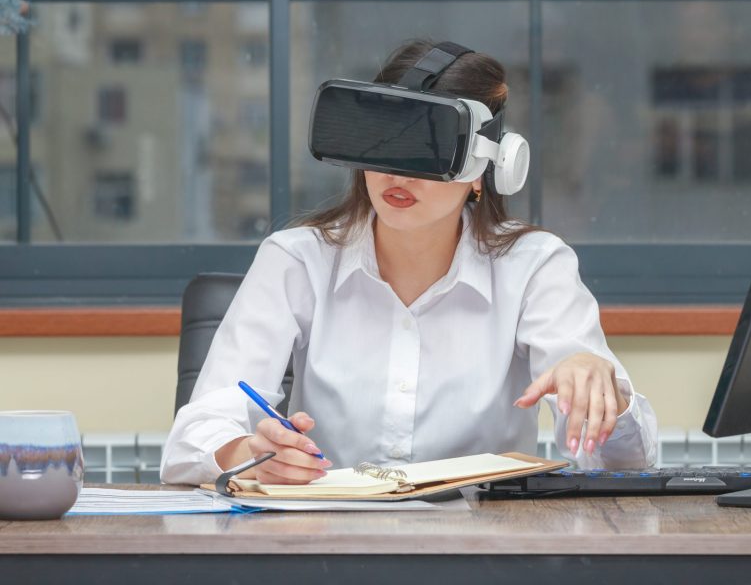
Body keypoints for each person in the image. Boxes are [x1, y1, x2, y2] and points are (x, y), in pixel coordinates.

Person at [161, 39, 657, 486]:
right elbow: (193, 436)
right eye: (384, 141)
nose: (399, 172)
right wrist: (247, 452)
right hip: (327, 544)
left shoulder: (534, 268)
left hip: (486, 550)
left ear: (489, 167)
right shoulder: (296, 260)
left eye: (429, 147)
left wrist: (604, 395)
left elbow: (626, 466)